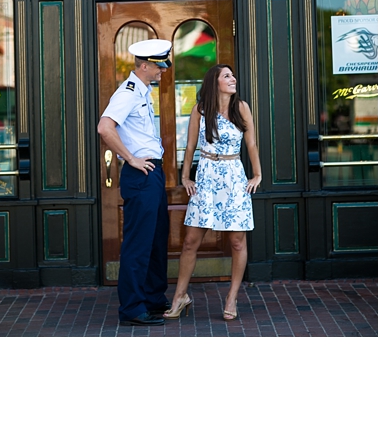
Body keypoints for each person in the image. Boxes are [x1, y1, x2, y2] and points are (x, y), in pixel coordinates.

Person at [163, 64, 261, 322]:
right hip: (206, 177)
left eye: (233, 74)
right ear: (214, 82)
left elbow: (251, 143)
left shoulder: (242, 107)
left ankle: (231, 297)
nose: (233, 78)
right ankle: (180, 297)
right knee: (190, 241)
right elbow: (191, 145)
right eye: (226, 76)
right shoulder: (200, 109)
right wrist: (185, 176)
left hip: (233, 177)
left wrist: (258, 174)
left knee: (237, 241)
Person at [97, 39, 173, 326]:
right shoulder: (128, 92)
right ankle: (132, 308)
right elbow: (104, 127)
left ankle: (153, 299)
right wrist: (129, 158)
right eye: (159, 66)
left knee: (155, 241)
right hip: (140, 174)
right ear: (144, 66)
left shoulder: (143, 91)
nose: (163, 71)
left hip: (151, 173)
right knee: (139, 244)